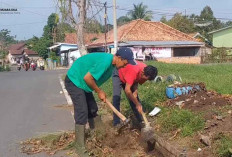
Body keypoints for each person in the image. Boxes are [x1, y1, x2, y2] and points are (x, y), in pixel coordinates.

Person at [64, 47, 136, 157]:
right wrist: (99, 91)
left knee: (93, 109)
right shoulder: (106, 62)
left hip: (83, 84)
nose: (125, 66)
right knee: (82, 111)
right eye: (125, 63)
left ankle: (99, 135)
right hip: (75, 80)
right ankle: (79, 147)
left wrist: (98, 90)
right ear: (119, 58)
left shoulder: (112, 65)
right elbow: (88, 78)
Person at [112, 60, 158, 128]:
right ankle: (116, 123)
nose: (145, 80)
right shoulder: (134, 70)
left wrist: (135, 91)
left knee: (134, 98)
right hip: (119, 73)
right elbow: (127, 90)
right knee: (116, 97)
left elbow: (137, 79)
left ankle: (141, 121)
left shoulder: (146, 73)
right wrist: (137, 104)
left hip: (129, 77)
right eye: (145, 78)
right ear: (142, 72)